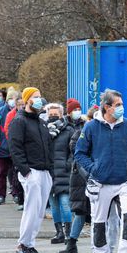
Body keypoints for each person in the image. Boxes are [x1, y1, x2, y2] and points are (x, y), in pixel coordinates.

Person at [74, 89, 127, 253]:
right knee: (99, 222)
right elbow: (79, 153)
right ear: (106, 107)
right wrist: (93, 169)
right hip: (101, 183)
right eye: (117, 105)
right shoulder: (91, 127)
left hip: (124, 181)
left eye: (121, 104)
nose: (121, 108)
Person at [8, 87, 53, 253]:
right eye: (35, 97)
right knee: (31, 209)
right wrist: (25, 171)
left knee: (39, 210)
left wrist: (50, 169)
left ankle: (30, 243)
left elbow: (48, 146)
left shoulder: (40, 122)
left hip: (44, 171)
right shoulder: (19, 121)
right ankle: (22, 244)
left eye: (40, 97)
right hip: (31, 171)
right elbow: (15, 148)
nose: (39, 100)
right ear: (27, 100)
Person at [60, 98, 89, 253]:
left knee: (85, 213)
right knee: (80, 211)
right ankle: (71, 243)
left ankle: (72, 243)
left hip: (83, 175)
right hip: (81, 177)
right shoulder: (80, 134)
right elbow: (75, 153)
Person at [46, 103, 74, 245]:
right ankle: (59, 233)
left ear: (62, 114)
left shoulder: (68, 130)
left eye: (55, 114)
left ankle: (69, 233)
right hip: (49, 173)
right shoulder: (43, 130)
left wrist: (67, 165)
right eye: (50, 115)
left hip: (64, 172)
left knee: (64, 203)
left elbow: (73, 151)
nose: (53, 117)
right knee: (54, 205)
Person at [0, 92, 18, 204]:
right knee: (1, 173)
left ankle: (16, 194)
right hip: (2, 149)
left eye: (13, 98)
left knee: (15, 173)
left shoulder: (18, 112)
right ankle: (1, 195)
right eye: (10, 98)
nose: (12, 100)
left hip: (14, 149)